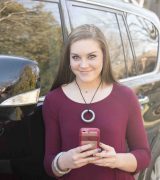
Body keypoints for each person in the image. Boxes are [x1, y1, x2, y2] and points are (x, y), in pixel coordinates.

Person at [42, 24, 151, 180]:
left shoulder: (125, 96)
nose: (83, 65)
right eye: (76, 57)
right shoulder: (54, 100)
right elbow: (49, 164)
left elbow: (143, 154)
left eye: (91, 56)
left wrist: (116, 160)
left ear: (104, 56)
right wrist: (65, 160)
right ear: (69, 59)